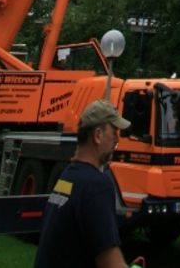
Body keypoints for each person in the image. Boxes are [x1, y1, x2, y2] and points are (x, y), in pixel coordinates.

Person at [34, 98, 132, 268]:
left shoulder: (68, 177)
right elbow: (110, 262)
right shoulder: (97, 186)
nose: (117, 139)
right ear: (98, 135)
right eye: (114, 131)